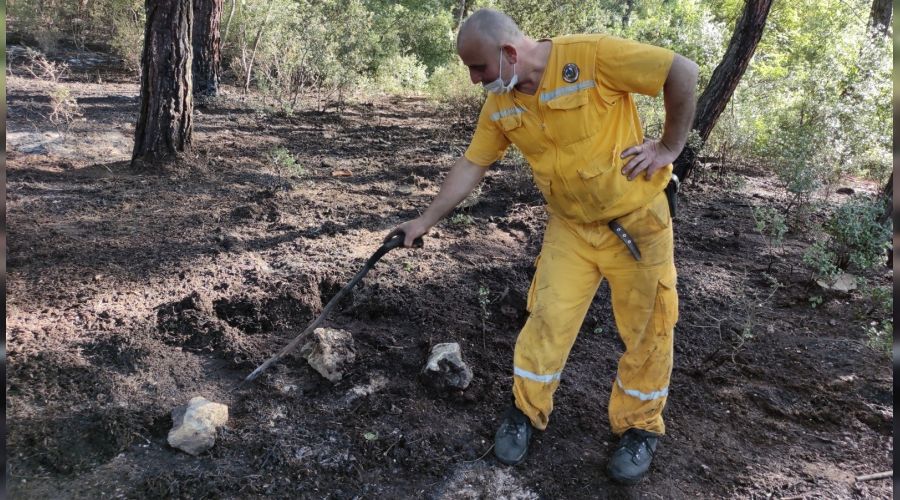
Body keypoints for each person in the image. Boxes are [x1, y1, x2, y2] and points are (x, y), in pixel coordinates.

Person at [386, 8, 698, 484]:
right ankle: (525, 412)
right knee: (547, 320)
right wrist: (423, 221)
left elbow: (681, 70)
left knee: (649, 330)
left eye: (480, 68)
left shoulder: (590, 58)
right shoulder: (502, 103)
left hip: (638, 224)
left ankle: (639, 430)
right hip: (570, 229)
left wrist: (669, 147)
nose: (475, 80)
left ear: (509, 53)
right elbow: (473, 163)